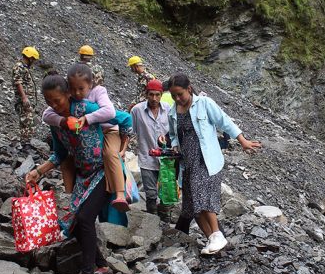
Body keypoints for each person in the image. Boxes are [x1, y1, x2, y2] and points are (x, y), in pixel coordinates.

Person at [26, 71, 122, 274]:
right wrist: (38, 172)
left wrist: (121, 144)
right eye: (49, 102)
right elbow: (59, 154)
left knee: (85, 217)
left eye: (57, 100)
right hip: (83, 175)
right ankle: (101, 266)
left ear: (68, 94)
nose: (54, 105)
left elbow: (119, 116)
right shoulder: (56, 122)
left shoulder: (86, 109)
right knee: (75, 222)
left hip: (103, 171)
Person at [167, 73, 261, 255]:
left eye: (180, 94)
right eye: (173, 96)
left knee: (203, 197)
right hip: (187, 163)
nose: (177, 99)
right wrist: (175, 146)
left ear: (189, 89)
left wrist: (243, 141)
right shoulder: (172, 112)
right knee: (192, 205)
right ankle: (213, 241)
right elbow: (172, 135)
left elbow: (224, 121)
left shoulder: (204, 104)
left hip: (206, 160)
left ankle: (217, 234)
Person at [42, 63, 131, 212]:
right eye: (73, 89)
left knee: (110, 154)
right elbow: (46, 117)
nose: (77, 93)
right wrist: (62, 121)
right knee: (67, 162)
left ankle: (120, 194)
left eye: (81, 89)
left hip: (109, 134)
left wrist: (124, 144)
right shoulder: (59, 114)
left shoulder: (91, 102)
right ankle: (68, 196)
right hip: (84, 166)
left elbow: (118, 116)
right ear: (68, 90)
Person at [130, 79, 171, 218]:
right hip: (146, 157)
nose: (154, 98)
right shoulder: (137, 110)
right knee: (151, 193)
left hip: (166, 158)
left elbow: (174, 132)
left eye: (157, 95)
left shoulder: (168, 110)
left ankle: (165, 219)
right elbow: (130, 131)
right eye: (151, 94)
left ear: (161, 94)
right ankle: (151, 219)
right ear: (146, 94)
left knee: (167, 192)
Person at [12, 46, 39, 143]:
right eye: (34, 60)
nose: (34, 62)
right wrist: (24, 98)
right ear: (30, 58)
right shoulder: (19, 67)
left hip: (27, 101)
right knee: (26, 123)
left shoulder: (24, 68)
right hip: (24, 101)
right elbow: (18, 82)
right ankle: (25, 145)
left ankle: (26, 143)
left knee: (29, 123)